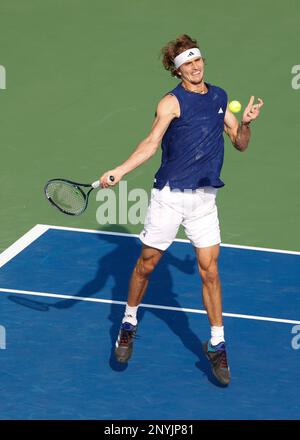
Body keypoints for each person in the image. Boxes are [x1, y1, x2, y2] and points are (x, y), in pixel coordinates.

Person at [99, 34, 264, 385]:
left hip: (204, 200)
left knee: (210, 271)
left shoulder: (220, 97)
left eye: (198, 60)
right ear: (177, 71)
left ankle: (217, 343)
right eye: (188, 63)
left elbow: (240, 145)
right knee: (147, 264)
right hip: (169, 197)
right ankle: (128, 321)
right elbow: (150, 143)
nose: (196, 66)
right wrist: (121, 170)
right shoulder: (171, 103)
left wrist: (246, 123)